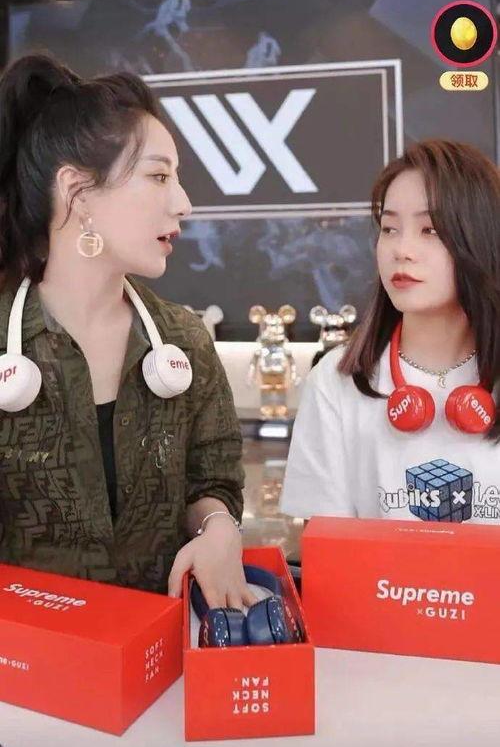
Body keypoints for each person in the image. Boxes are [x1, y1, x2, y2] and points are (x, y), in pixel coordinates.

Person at [0, 51, 257, 610]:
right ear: (78, 192)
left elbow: (210, 482)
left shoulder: (183, 338)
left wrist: (217, 528)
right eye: (159, 176)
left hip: (155, 651)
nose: (183, 204)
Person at [280, 139, 500, 525]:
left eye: (430, 229)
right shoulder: (335, 383)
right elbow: (329, 548)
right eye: (390, 228)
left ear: (480, 238)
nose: (402, 250)